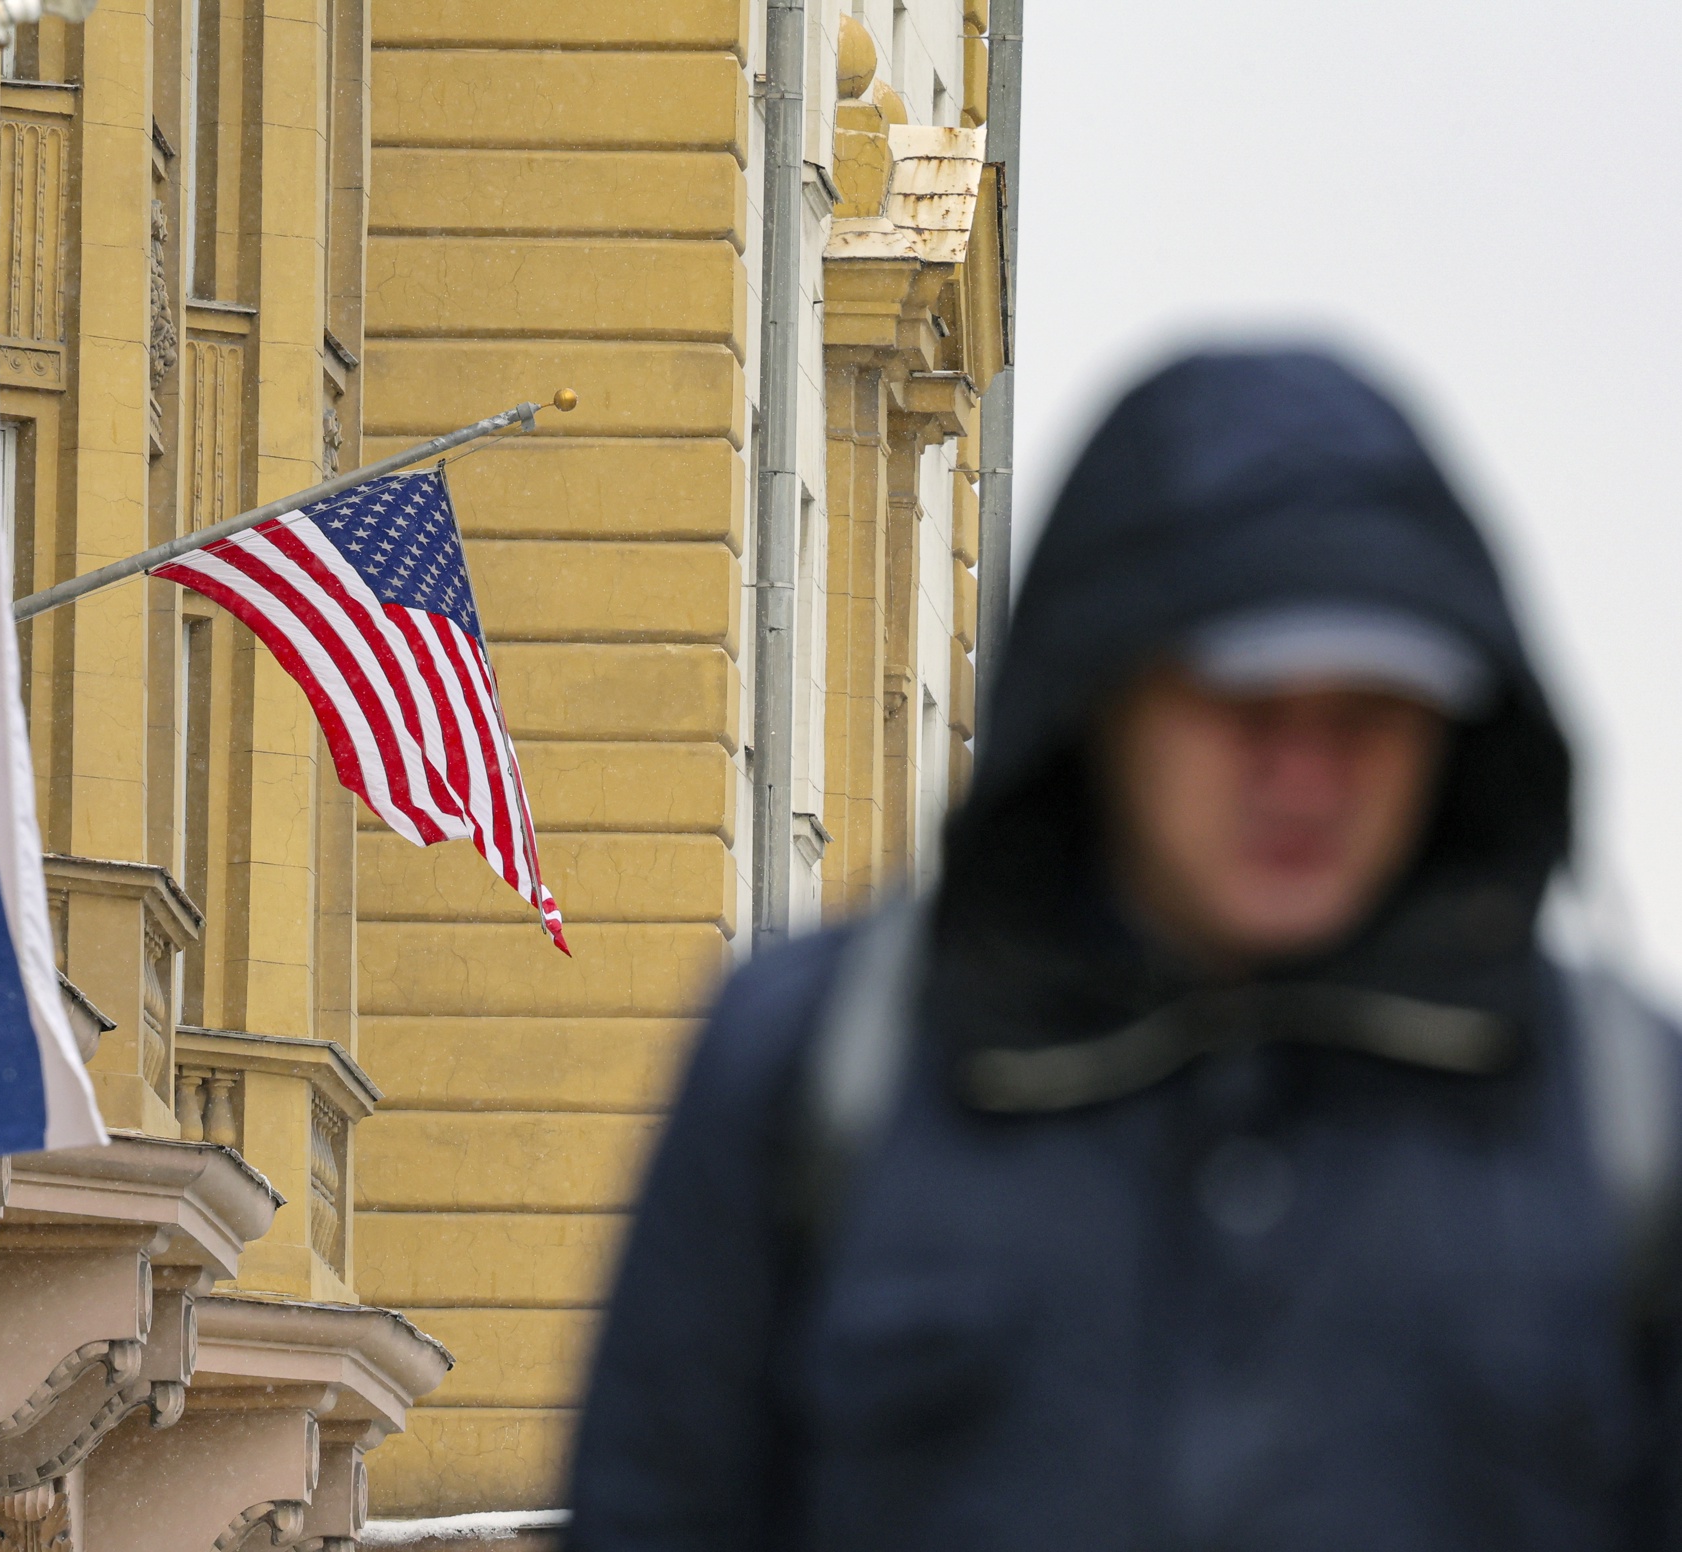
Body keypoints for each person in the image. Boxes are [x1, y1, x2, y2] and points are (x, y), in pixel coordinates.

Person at [566, 349, 1682, 1550]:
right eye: (1242, 703)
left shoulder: (1625, 1117)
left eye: (1367, 714)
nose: (1304, 775)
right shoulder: (811, 1072)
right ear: (1102, 693)